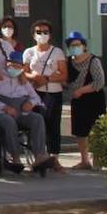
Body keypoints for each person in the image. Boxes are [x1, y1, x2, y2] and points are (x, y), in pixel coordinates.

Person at [0, 50, 60, 174]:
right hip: (1, 112)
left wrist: (30, 103)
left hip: (21, 111)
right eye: (13, 65)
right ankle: (15, 157)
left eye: (18, 66)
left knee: (37, 118)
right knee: (9, 122)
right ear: (7, 64)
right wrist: (4, 107)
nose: (16, 68)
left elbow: (36, 97)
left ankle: (39, 156)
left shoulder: (22, 80)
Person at [22, 19, 67, 158]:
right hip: (35, 92)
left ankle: (54, 158)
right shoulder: (29, 52)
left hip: (53, 93)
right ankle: (38, 156)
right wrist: (34, 77)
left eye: (45, 32)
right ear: (34, 35)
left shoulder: (57, 52)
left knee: (53, 125)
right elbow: (23, 73)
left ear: (50, 35)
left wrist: (47, 78)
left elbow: (64, 74)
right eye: (39, 32)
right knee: (37, 124)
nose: (42, 34)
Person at [65, 31, 106, 170]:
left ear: (84, 45)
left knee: (97, 130)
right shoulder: (68, 62)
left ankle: (98, 160)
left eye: (78, 44)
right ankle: (84, 160)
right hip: (77, 101)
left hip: (94, 99)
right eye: (72, 45)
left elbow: (99, 82)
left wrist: (81, 90)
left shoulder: (93, 60)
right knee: (80, 131)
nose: (75, 47)